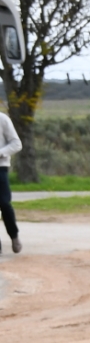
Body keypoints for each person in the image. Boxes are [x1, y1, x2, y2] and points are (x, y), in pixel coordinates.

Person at [0, 107, 20, 252]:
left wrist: (1, 153)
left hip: (0, 167)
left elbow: (16, 144)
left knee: (4, 203)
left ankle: (14, 235)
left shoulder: (3, 119)